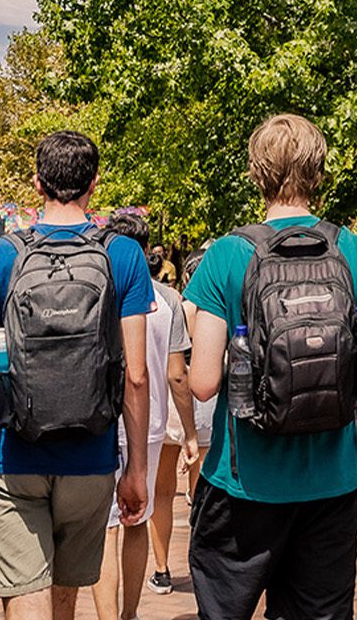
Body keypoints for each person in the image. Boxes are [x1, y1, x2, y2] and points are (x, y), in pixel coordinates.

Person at [186, 114, 357, 620]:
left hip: (244, 485)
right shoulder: (353, 250)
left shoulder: (228, 254)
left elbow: (204, 384)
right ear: (319, 173)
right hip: (331, 486)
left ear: (257, 173)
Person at [0, 131, 154, 620]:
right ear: (94, 182)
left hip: (14, 459)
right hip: (90, 459)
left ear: (37, 183)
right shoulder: (123, 255)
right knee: (65, 598)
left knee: (26, 596)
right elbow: (135, 375)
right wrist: (136, 469)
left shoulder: (2, 256)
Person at [92, 213, 199, 620]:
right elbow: (176, 372)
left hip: (104, 422)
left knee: (107, 527)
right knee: (138, 520)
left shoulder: (101, 289)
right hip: (150, 425)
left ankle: (107, 617)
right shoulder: (168, 300)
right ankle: (130, 613)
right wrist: (188, 431)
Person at [149, 249, 214, 595]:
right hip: (207, 403)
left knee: (161, 492)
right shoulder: (218, 309)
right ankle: (203, 564)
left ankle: (161, 569)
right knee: (202, 493)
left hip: (172, 403)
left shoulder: (178, 305)